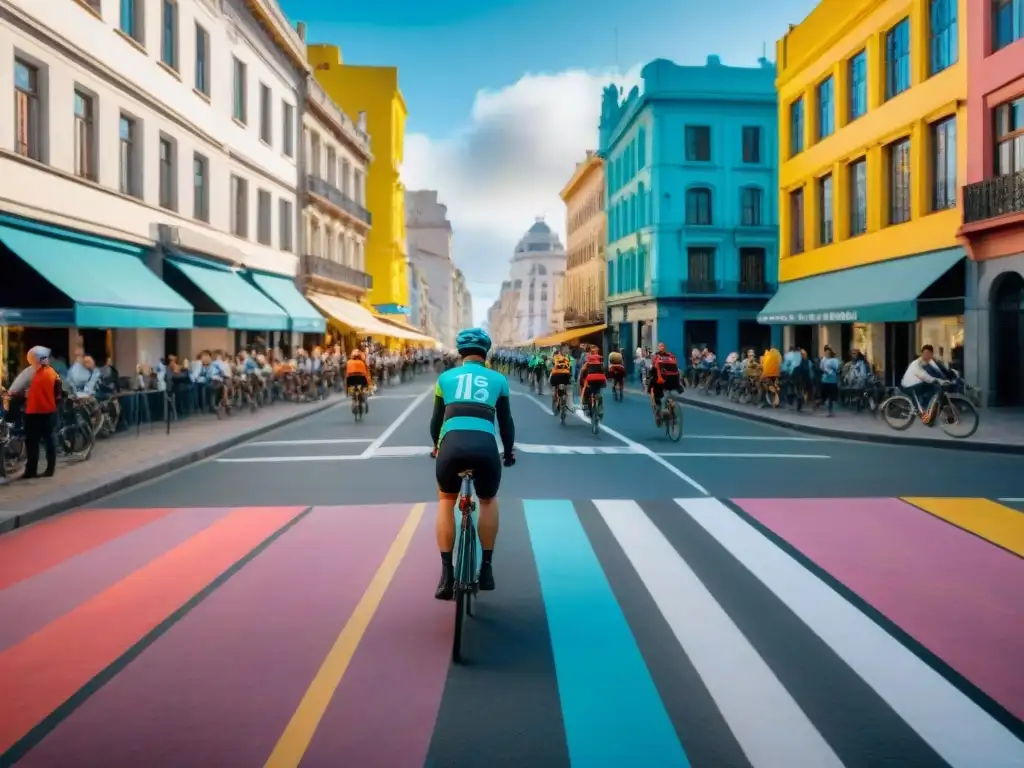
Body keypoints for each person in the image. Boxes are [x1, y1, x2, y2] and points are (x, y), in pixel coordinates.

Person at [429, 328, 516, 600]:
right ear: (486, 352)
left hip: (451, 446)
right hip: (485, 447)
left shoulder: (445, 378)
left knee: (445, 500)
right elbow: (506, 423)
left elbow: (436, 422)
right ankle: (487, 568)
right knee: (488, 500)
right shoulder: (499, 379)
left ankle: (446, 574)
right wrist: (509, 452)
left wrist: (436, 445)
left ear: (460, 352)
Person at [7, 346, 61, 479]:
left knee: (32, 443)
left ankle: (31, 471)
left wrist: (15, 395)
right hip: (49, 412)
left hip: (35, 412)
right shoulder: (52, 373)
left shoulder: (34, 374)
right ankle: (50, 469)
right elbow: (58, 393)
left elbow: (19, 390)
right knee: (49, 441)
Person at [901, 344, 945, 412]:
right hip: (909, 386)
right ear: (922, 354)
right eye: (924, 353)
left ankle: (926, 406)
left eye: (928, 353)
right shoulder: (916, 363)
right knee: (933, 387)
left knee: (932, 386)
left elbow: (937, 371)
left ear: (931, 354)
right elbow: (924, 376)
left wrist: (942, 379)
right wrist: (938, 381)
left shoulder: (929, 361)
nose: (926, 355)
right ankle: (925, 407)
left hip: (917, 384)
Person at [648, 342, 682, 425]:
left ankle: (659, 414)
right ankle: (673, 412)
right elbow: (677, 369)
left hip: (661, 380)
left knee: (655, 395)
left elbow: (652, 369)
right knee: (670, 396)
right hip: (673, 380)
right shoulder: (671, 356)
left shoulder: (655, 356)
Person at [578, 345, 607, 415]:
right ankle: (599, 406)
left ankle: (586, 404)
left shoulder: (587, 360)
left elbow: (582, 372)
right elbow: (603, 372)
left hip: (589, 380)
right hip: (600, 381)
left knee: (587, 392)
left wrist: (581, 381)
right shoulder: (600, 361)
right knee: (597, 391)